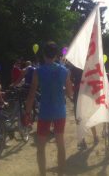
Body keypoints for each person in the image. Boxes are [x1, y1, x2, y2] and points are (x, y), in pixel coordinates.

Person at [25, 41, 73, 176]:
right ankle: (61, 174)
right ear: (57, 55)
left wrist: (27, 113)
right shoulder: (65, 71)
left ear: (43, 54)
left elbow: (31, 95)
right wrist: (63, 87)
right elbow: (70, 93)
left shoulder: (38, 71)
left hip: (45, 112)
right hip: (59, 111)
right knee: (60, 144)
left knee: (40, 147)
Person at [70, 64, 99, 151]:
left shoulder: (74, 67)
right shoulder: (89, 65)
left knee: (79, 117)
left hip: (78, 94)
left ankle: (82, 140)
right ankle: (95, 136)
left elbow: (71, 79)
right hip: (87, 93)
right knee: (89, 115)